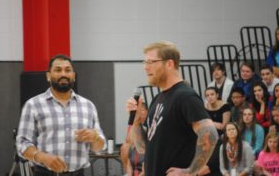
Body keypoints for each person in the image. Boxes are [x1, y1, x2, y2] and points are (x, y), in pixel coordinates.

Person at [126, 41, 218, 176]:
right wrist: (136, 121)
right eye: (144, 63)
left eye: (151, 62)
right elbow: (142, 148)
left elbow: (210, 134)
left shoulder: (185, 96)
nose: (145, 67)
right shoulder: (157, 99)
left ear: (169, 64)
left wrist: (191, 172)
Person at [16, 54, 106, 176]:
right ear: (48, 76)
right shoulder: (33, 105)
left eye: (68, 70)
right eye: (58, 70)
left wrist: (95, 137)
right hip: (44, 173)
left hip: (79, 173)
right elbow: (22, 143)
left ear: (73, 76)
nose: (63, 74)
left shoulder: (88, 106)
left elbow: (99, 147)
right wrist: (42, 157)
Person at [120, 104, 148, 176]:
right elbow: (128, 139)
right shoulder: (134, 125)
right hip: (134, 155)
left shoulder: (149, 125)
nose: (140, 113)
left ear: (147, 112)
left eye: (142, 110)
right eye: (138, 111)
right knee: (125, 147)